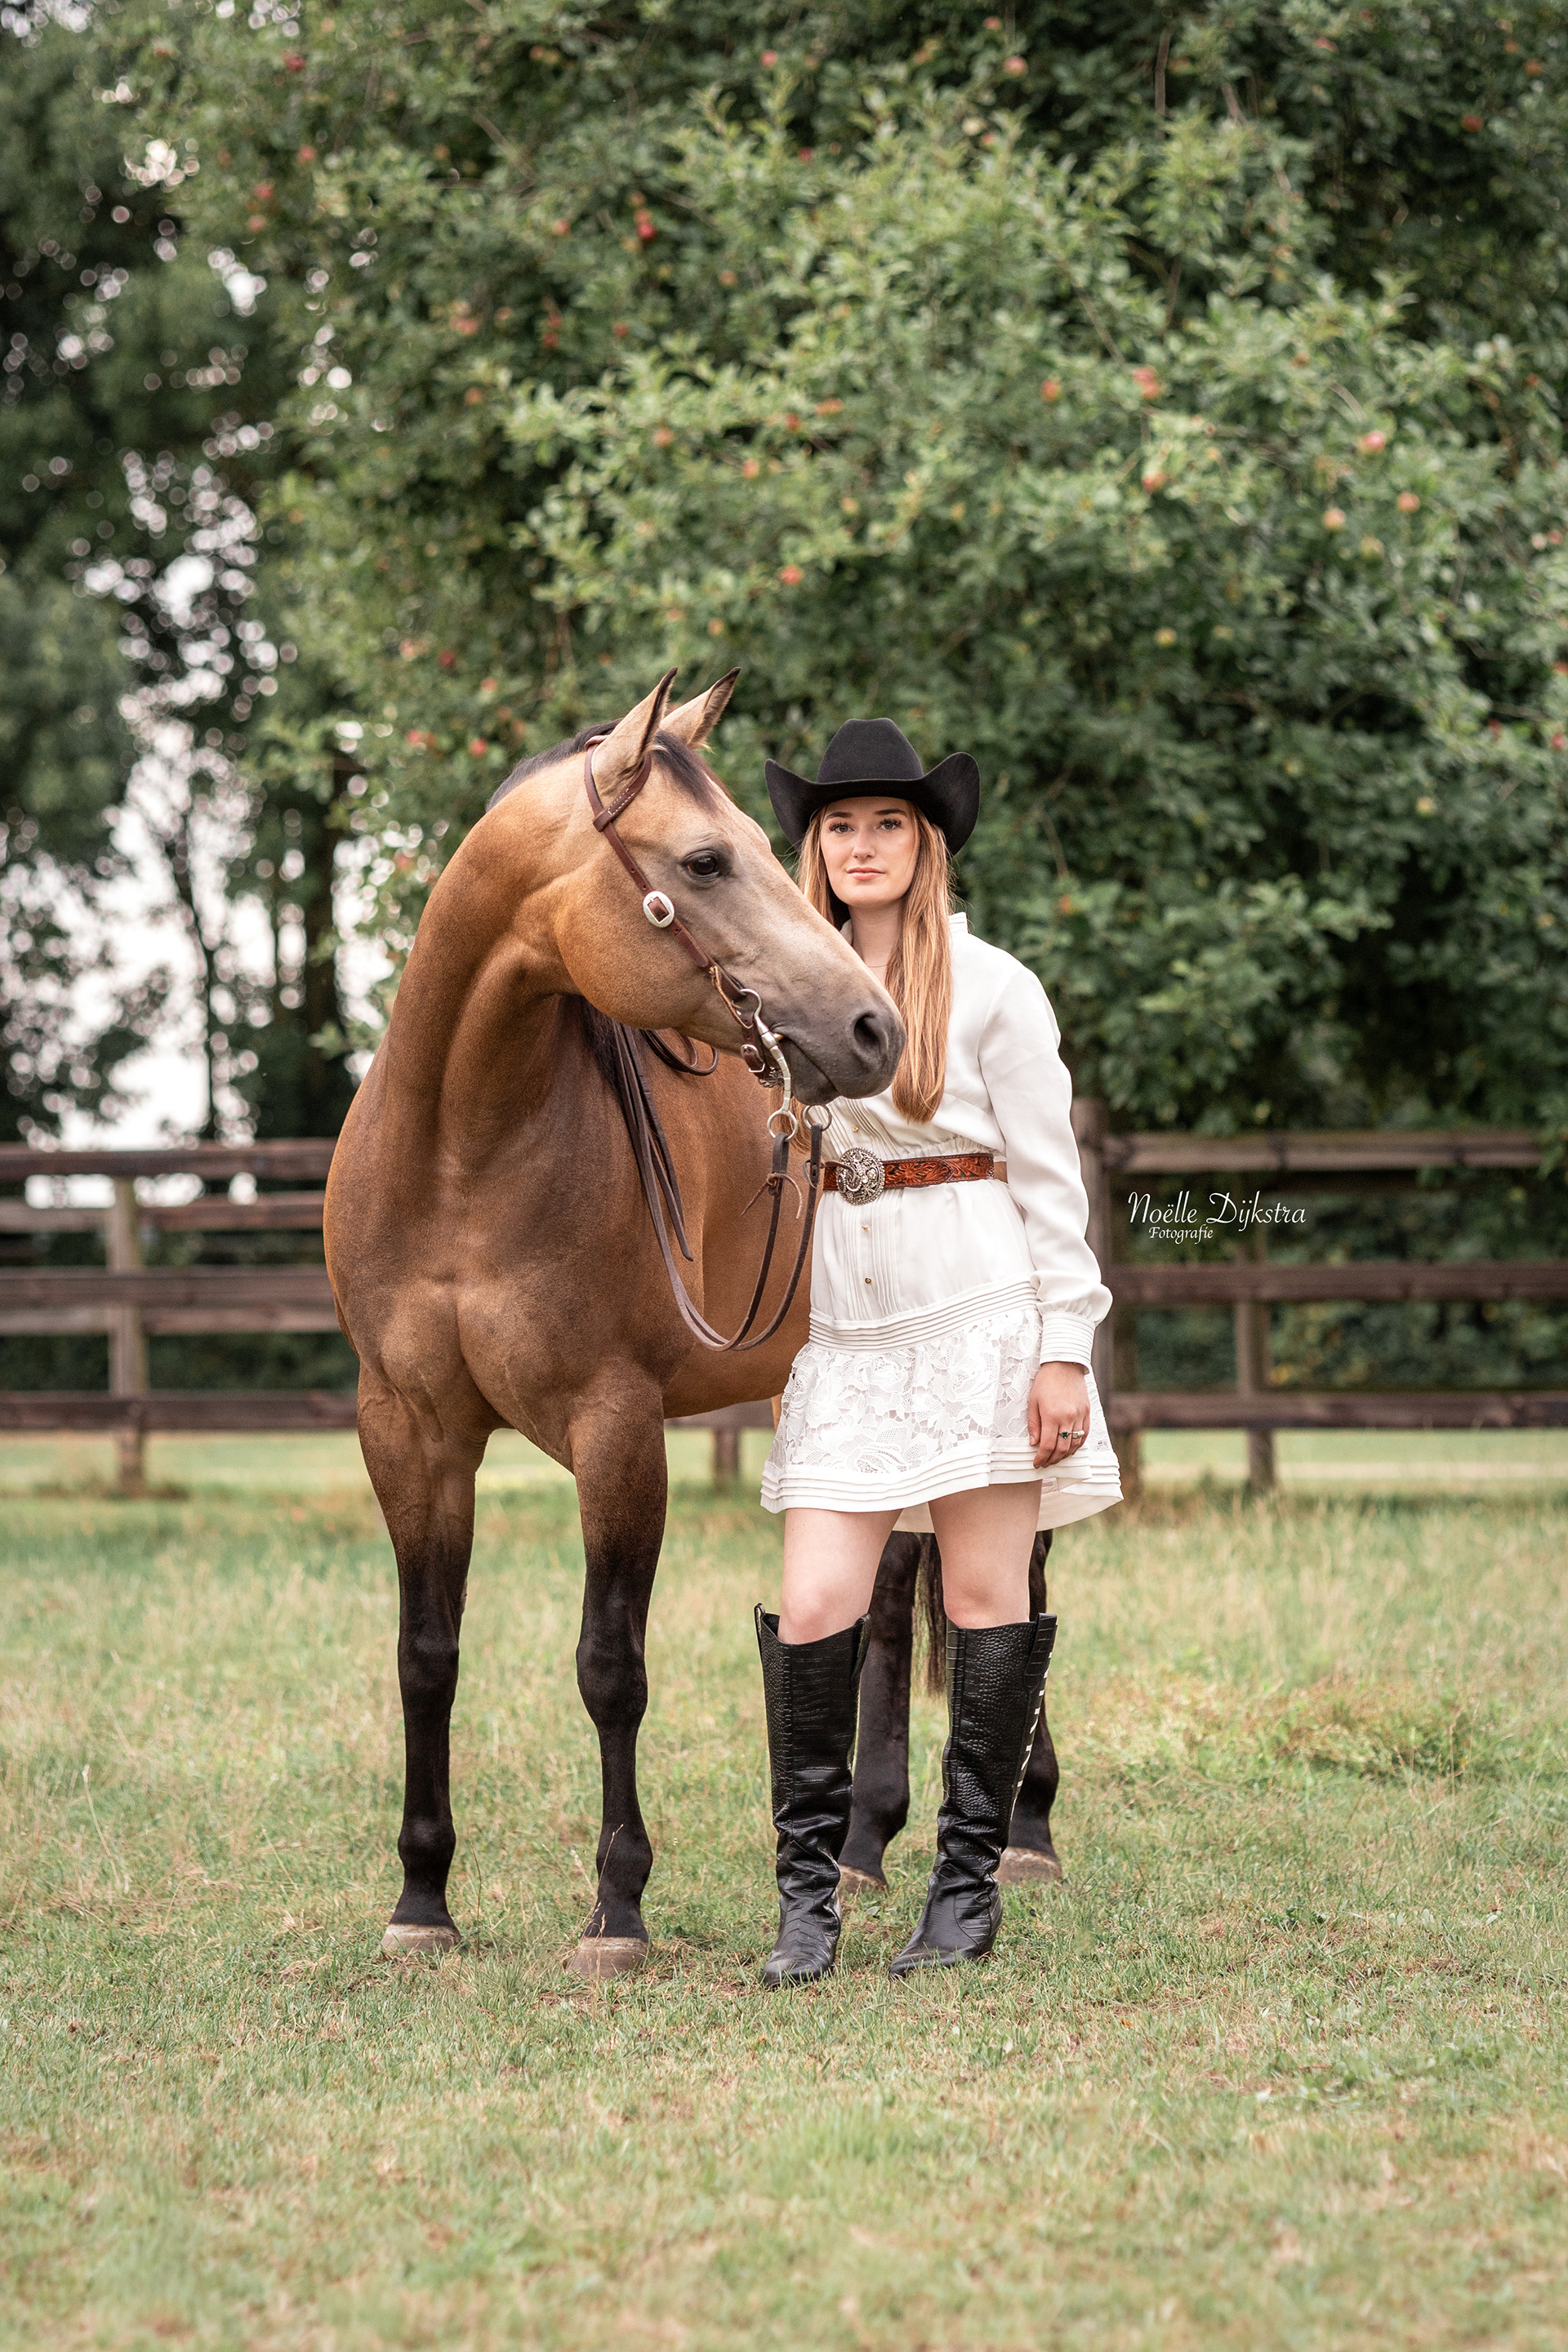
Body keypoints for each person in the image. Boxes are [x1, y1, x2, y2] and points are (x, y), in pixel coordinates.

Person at [752, 718, 1122, 1986]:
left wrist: (1063, 1351)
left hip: (982, 1313)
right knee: (816, 1603)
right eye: (839, 826)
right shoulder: (778, 990)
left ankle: (965, 1892)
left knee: (980, 1600)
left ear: (927, 846)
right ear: (813, 847)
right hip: (851, 1331)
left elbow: (1053, 1185)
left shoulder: (996, 985)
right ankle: (808, 1905)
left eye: (887, 826)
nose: (861, 846)